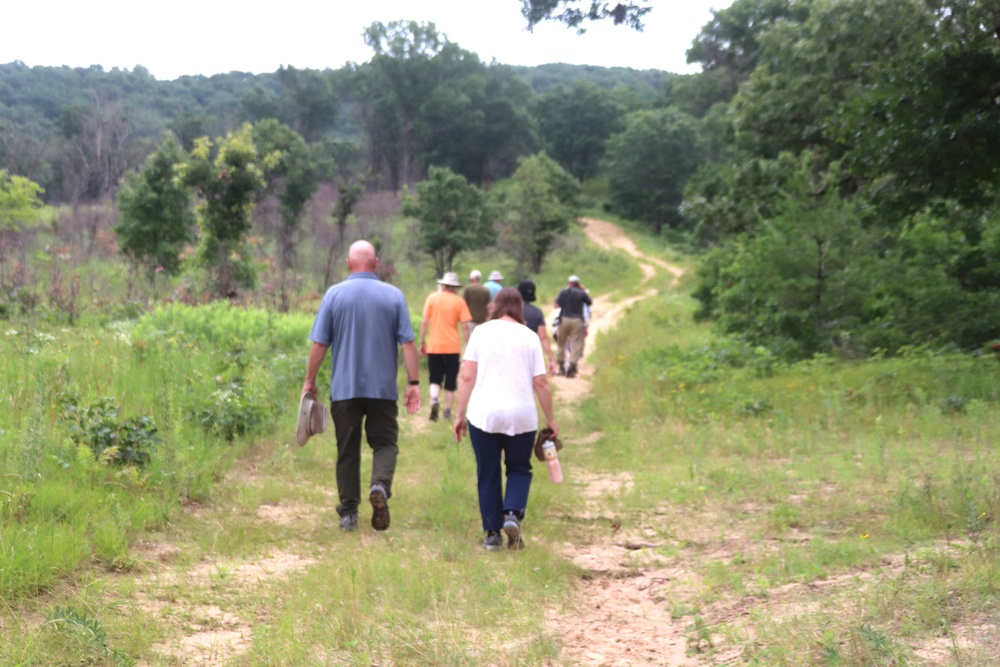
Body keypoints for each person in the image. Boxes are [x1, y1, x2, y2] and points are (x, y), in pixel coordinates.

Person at [302, 240, 421, 532]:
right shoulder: (394, 296)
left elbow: (320, 344)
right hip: (382, 390)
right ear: (376, 263)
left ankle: (349, 514)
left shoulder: (334, 295)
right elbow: (407, 343)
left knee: (347, 450)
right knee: (385, 443)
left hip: (345, 388)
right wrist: (414, 383)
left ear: (348, 263)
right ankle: (379, 485)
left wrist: (310, 380)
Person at [453, 287, 559, 551]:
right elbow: (541, 383)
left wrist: (459, 414)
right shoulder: (530, 336)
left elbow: (466, 377)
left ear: (494, 307)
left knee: (488, 472)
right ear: (519, 308)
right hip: (522, 416)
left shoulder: (481, 332)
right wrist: (551, 420)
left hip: (484, 415)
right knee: (519, 468)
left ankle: (492, 535)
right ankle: (512, 514)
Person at [419, 271, 473, 422]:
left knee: (435, 378)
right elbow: (465, 327)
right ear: (455, 287)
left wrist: (422, 342)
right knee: (450, 380)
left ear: (442, 285)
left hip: (434, 346)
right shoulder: (459, 301)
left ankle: (435, 399)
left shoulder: (432, 298)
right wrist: (469, 346)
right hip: (452, 347)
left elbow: (424, 322)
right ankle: (448, 410)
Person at [554, 274, 593, 378]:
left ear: (569, 283)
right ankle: (572, 367)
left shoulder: (563, 291)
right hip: (577, 320)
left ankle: (561, 367)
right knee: (576, 343)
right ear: (578, 284)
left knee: (561, 343)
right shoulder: (581, 293)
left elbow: (556, 305)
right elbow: (589, 303)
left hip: (564, 319)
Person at [517, 279, 558, 376]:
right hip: (530, 351)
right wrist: (551, 359)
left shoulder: (510, 311)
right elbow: (543, 337)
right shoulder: (536, 312)